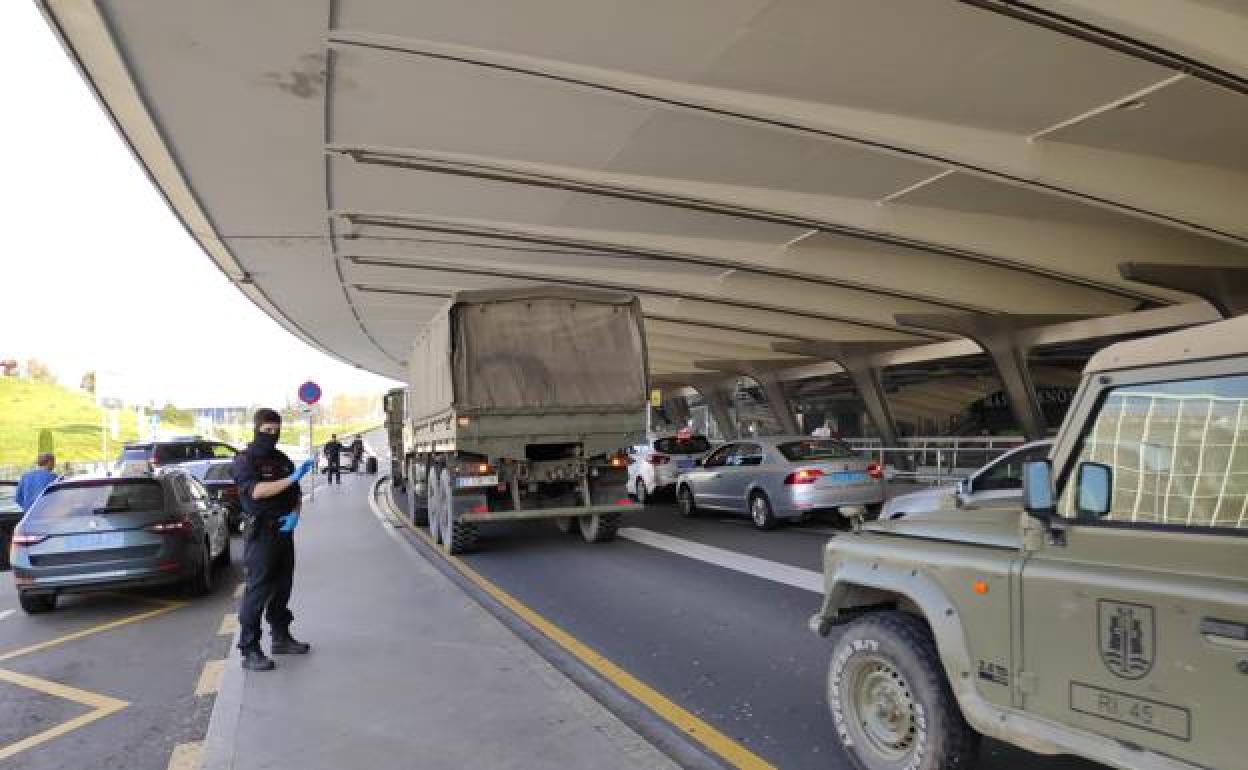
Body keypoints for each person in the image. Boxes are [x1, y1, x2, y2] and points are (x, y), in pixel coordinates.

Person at [232, 408, 315, 671]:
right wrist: (291, 478)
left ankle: (281, 638)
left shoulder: (282, 459)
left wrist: (295, 516)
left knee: (283, 588)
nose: (272, 434)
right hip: (261, 534)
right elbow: (256, 491)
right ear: (256, 429)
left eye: (276, 430)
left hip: (283, 531)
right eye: (267, 430)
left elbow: (296, 494)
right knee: (258, 592)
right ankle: (250, 649)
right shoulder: (245, 460)